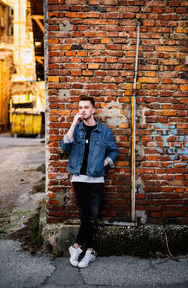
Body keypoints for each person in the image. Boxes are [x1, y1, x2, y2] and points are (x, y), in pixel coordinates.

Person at [61, 95, 119, 268]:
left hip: (96, 179)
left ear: (93, 110)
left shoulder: (104, 131)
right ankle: (90, 251)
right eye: (80, 107)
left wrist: (106, 161)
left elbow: (114, 151)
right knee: (85, 216)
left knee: (91, 217)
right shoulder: (76, 128)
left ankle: (77, 246)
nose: (82, 110)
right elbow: (65, 146)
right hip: (78, 178)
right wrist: (72, 124)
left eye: (86, 107)